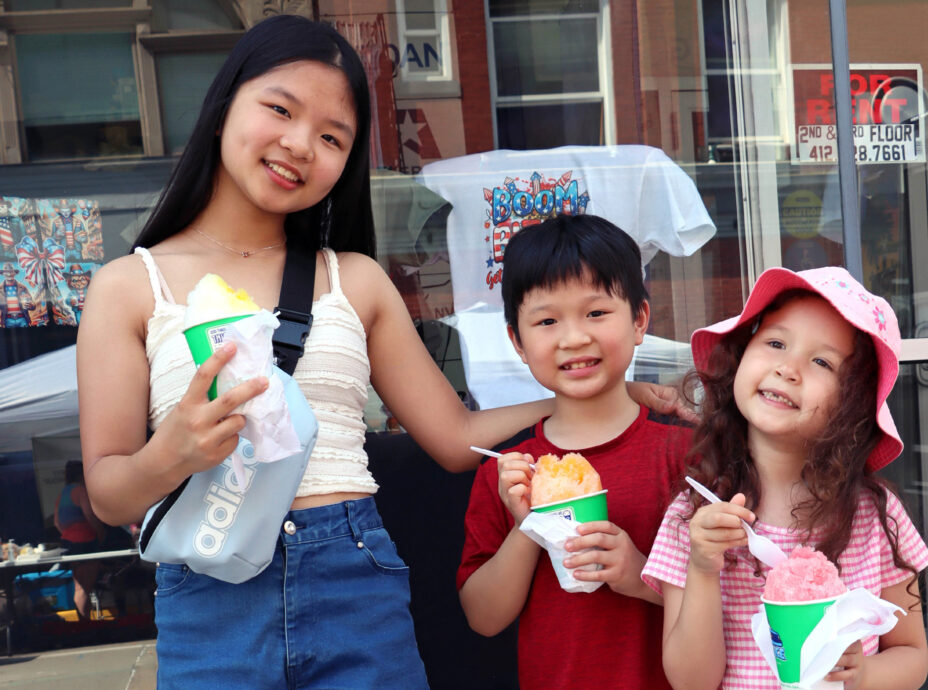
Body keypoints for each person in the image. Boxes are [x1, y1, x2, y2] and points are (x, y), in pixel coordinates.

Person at [76, 15, 677, 688]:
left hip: (352, 582)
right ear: (223, 106)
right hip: (209, 594)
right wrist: (172, 453)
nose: (300, 145)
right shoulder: (128, 286)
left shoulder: (354, 280)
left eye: (332, 137)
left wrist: (599, 397)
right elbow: (108, 493)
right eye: (280, 109)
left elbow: (455, 437)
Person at [642, 266, 928, 689]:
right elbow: (691, 682)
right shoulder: (695, 516)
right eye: (776, 343)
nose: (788, 368)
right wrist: (703, 568)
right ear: (740, 357)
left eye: (821, 361)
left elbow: (913, 655)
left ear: (852, 404)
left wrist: (863, 674)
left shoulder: (876, 516)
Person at [457, 214, 693, 690]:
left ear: (639, 320)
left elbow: (733, 598)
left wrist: (640, 574)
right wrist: (528, 526)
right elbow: (483, 617)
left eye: (596, 313)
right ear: (517, 341)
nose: (573, 338)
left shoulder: (684, 456)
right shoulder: (507, 474)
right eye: (547, 321)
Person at [53, 460, 105, 620]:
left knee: (80, 587)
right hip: (85, 542)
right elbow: (90, 516)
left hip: (68, 543)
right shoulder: (81, 491)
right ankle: (85, 625)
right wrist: (101, 533)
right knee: (84, 588)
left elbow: (57, 522)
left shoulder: (62, 493)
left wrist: (69, 535)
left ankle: (85, 622)